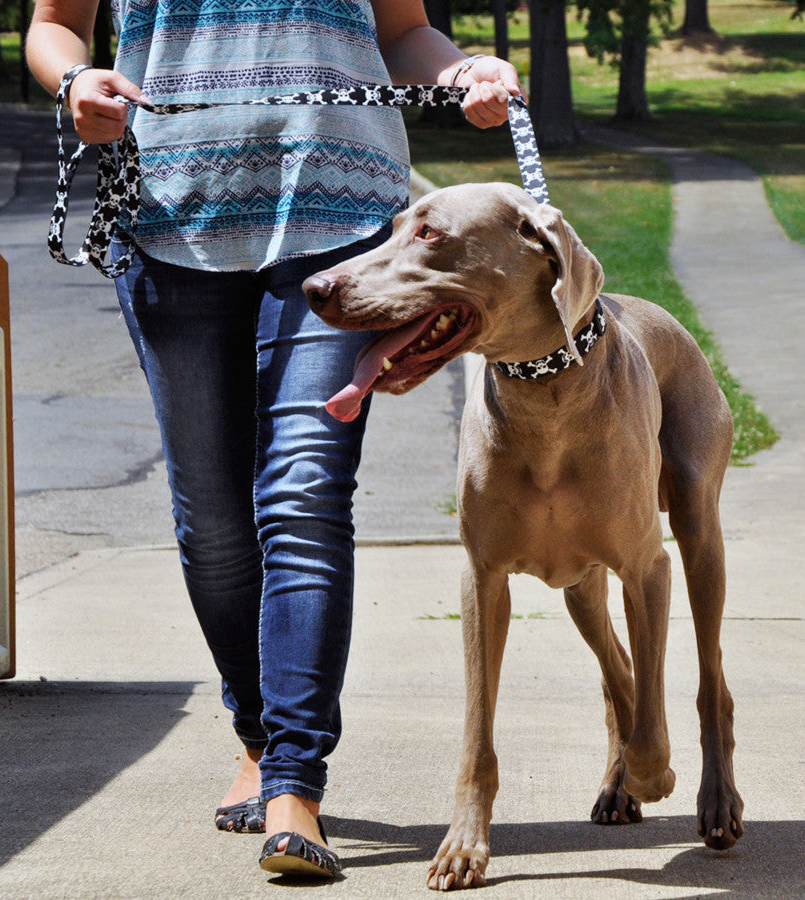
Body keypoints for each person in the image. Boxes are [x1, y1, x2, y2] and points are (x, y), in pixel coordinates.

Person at [26, 0, 522, 879]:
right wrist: (73, 81)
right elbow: (54, 24)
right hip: (174, 221)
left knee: (301, 495)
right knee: (213, 526)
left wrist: (460, 72)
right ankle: (255, 737)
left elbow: (403, 33)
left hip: (341, 231)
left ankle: (295, 785)